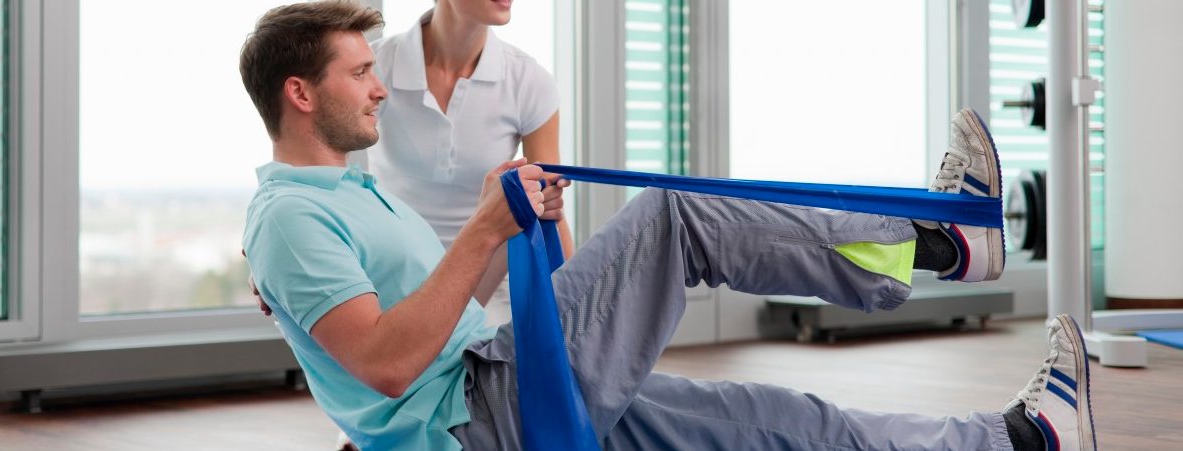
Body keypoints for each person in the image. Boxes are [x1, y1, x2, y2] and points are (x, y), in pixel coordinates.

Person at [237, 2, 1097, 450]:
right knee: (672, 215)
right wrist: (480, 234)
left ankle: (1016, 440)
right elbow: (386, 366)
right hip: (488, 408)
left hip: (497, 386)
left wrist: (519, 239)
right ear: (300, 94)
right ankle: (943, 246)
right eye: (359, 74)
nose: (379, 85)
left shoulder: (343, 197)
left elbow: (394, 343)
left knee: (769, 423)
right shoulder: (289, 217)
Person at [365, 0, 572, 327]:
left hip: (488, 285)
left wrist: (576, 305)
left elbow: (549, 208)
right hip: (391, 276)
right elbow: (325, 167)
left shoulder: (528, 80)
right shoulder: (376, 66)